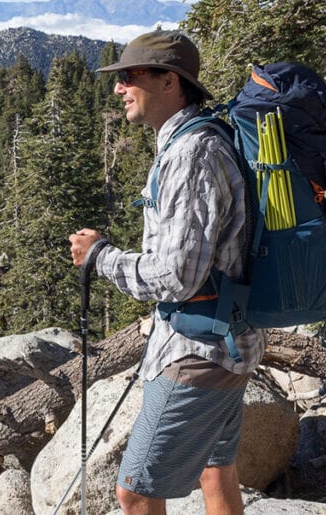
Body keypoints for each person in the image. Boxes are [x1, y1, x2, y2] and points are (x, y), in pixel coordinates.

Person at [68, 30, 264, 515]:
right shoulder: (189, 142)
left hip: (199, 351)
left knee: (134, 493)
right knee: (215, 468)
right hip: (222, 337)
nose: (119, 88)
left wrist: (101, 256)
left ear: (169, 81)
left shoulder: (192, 154)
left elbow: (177, 277)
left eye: (130, 76)